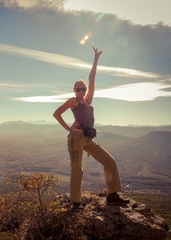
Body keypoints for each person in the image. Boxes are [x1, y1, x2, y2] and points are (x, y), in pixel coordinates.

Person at [53, 47, 130, 212]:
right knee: (77, 169)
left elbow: (92, 78)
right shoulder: (73, 101)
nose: (81, 91)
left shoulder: (88, 101)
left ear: (86, 90)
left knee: (110, 162)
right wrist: (68, 127)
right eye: (78, 89)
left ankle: (113, 195)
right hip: (76, 138)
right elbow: (56, 113)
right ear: (74, 91)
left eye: (83, 88)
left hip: (88, 139)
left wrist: (96, 59)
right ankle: (75, 203)